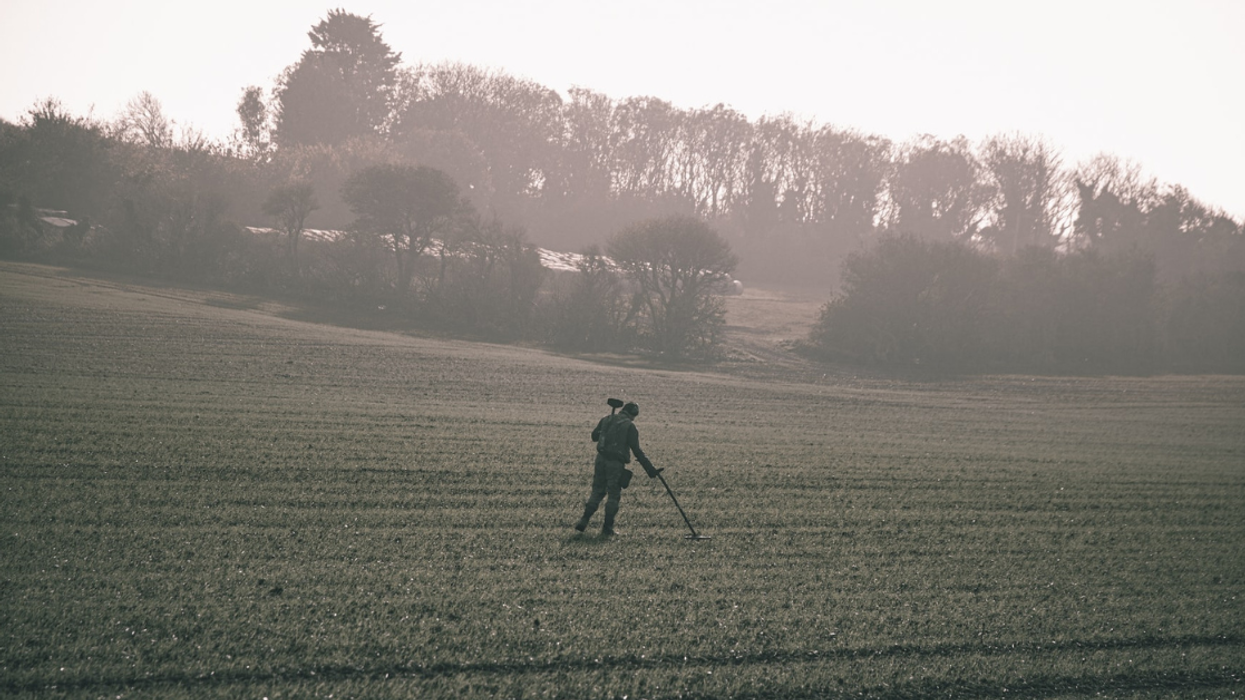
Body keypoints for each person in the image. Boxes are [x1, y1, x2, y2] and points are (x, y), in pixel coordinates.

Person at [575, 401, 661, 536]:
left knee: (597, 491)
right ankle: (607, 528)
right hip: (615, 464)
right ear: (633, 414)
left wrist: (605, 430)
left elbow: (594, 437)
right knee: (613, 495)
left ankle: (584, 520)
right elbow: (637, 451)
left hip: (600, 460)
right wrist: (650, 469)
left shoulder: (607, 419)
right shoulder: (629, 426)